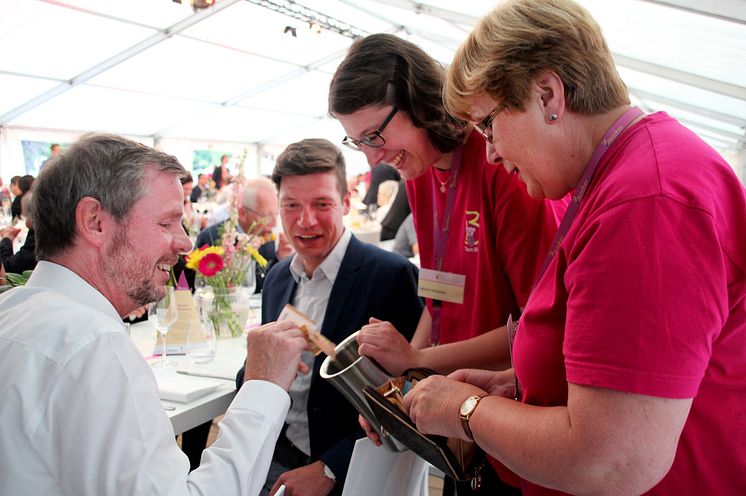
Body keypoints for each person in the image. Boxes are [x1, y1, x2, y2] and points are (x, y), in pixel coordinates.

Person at [398, 1, 746, 494]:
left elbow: (612, 460)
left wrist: (466, 410)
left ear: (547, 94)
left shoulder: (646, 201)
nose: (491, 151)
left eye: (488, 125)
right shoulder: (621, 178)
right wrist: (517, 390)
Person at [0, 133, 310, 495]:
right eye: (166, 223)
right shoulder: (93, 346)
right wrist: (264, 387)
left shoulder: (13, 311)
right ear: (95, 221)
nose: (185, 242)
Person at [236, 138, 423, 496]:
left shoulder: (390, 276)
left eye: (322, 204)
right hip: (275, 459)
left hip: (353, 472)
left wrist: (330, 469)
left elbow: (411, 393)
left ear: (346, 203)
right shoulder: (277, 279)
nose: (305, 221)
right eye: (291, 205)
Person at [195, 177, 292, 293]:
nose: (274, 224)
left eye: (276, 215)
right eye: (267, 217)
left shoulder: (266, 235)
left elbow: (266, 284)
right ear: (242, 214)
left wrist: (280, 259)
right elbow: (198, 287)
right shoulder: (211, 238)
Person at [0, 192, 37, 274]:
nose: (26, 223)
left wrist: (6, 240)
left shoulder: (41, 236)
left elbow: (9, 267)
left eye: (27, 217)